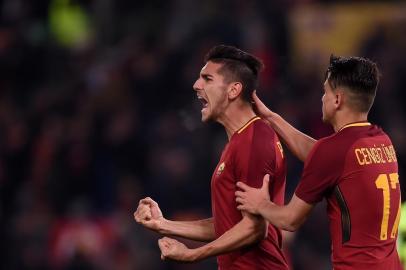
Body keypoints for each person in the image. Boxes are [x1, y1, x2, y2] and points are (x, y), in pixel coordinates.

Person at [235, 55, 402, 270]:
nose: (322, 98)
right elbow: (322, 158)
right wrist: (271, 118)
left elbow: (289, 220)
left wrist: (259, 204)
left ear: (337, 100)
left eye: (326, 92)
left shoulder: (335, 151)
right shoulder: (381, 141)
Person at [133, 45, 289, 269]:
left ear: (233, 90)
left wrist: (193, 255)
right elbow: (229, 225)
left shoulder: (255, 140)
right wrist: (164, 224)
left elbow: (255, 228)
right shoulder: (238, 142)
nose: (196, 85)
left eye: (207, 78)